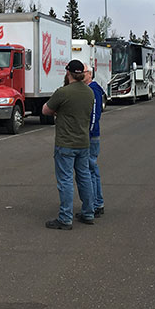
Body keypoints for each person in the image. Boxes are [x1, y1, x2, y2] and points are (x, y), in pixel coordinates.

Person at [42, 59, 95, 230]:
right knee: (85, 177)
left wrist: (59, 111)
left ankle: (65, 217)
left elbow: (46, 110)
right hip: (83, 142)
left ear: (68, 73)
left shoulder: (63, 92)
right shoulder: (89, 92)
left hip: (66, 142)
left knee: (65, 180)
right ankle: (88, 212)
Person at [84, 66, 106, 217]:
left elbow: (94, 115)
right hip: (89, 135)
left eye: (84, 72)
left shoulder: (93, 90)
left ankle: (97, 204)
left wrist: (89, 133)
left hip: (91, 136)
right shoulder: (89, 89)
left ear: (90, 74)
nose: (81, 74)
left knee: (90, 168)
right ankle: (95, 203)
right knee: (90, 169)